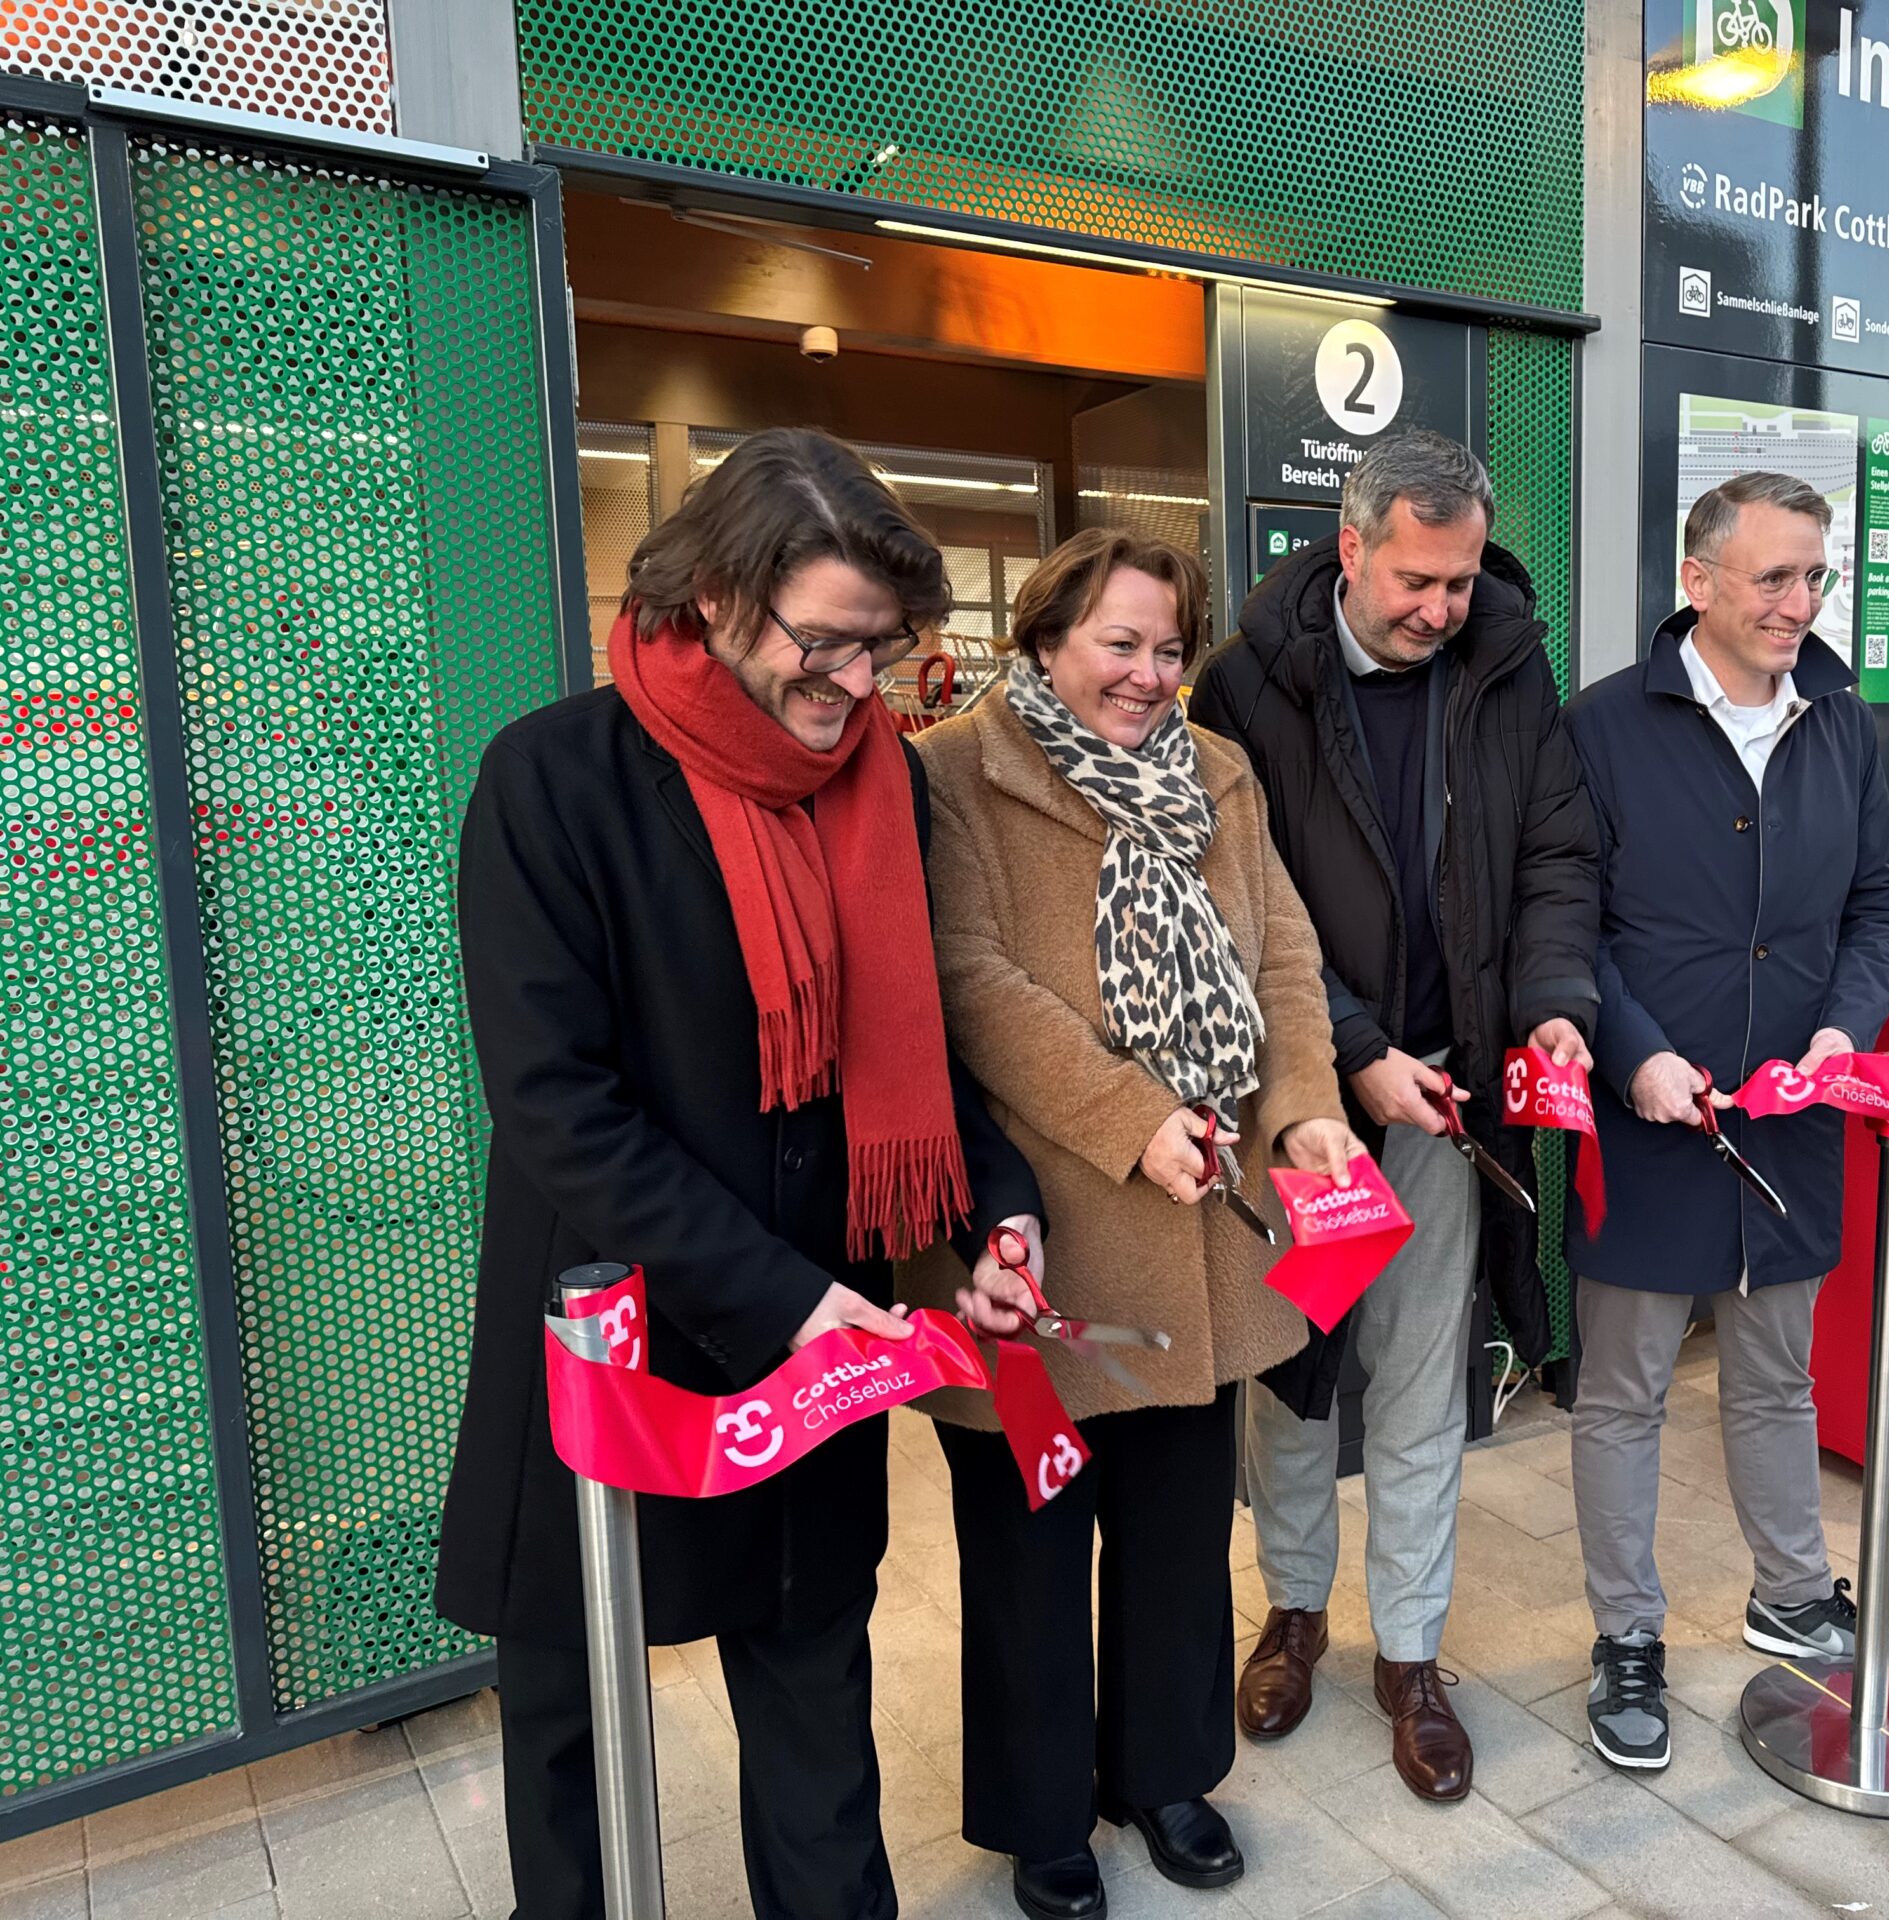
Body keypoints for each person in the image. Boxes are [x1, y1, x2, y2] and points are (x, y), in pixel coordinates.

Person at [435, 428, 1045, 1920]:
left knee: (812, 1684)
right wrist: (782, 1299)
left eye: (881, 648)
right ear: (712, 596)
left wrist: (994, 1210)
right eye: (823, 642)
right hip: (624, 1322)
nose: (856, 685)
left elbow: (911, 1045)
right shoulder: (554, 779)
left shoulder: (880, 785)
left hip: (816, 1327)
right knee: (572, 1707)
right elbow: (557, 1106)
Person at [900, 527, 1358, 1920]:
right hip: (1033, 1228)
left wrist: (1305, 1109)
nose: (1149, 675)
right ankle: (1043, 1813)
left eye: (1169, 648)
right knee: (1029, 1549)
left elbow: (1286, 957)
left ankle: (1165, 1774)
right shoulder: (954, 773)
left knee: (1174, 1535)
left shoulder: (1219, 772)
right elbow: (965, 978)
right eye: (1119, 643)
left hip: (1202, 1227)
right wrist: (1127, 1113)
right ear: (1045, 639)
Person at [1188, 429, 1600, 1803]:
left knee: (1427, 1383)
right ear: (1350, 548)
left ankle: (1412, 1652)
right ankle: (1296, 1609)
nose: (1440, 609)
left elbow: (1556, 851)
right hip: (1304, 1100)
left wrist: (1553, 1004)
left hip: (1446, 1099)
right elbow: (1238, 906)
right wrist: (1351, 1054)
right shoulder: (1245, 682)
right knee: (1293, 1379)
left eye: (1460, 581)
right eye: (1415, 581)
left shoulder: (1509, 661)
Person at [1561, 470, 1889, 1774]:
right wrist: (1636, 1056)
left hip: (1792, 1120)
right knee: (1624, 1392)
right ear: (1697, 579)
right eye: (1774, 575)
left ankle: (1793, 1597)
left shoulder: (1842, 722)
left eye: (1816, 575)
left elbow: (1879, 904)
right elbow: (1565, 924)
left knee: (1779, 1374)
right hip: (1647, 1118)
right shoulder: (1603, 727)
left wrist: (1845, 1032)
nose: (1800, 602)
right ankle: (1627, 1636)